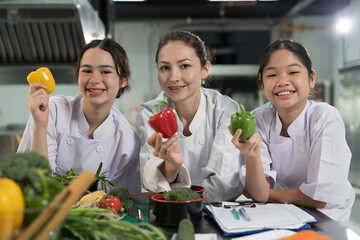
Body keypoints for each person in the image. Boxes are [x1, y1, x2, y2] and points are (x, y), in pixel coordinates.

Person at [232, 39, 355, 225]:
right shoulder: (257, 119)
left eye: (293, 72)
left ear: (311, 78)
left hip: (326, 214)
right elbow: (257, 193)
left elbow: (320, 197)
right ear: (262, 84)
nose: (282, 81)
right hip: (281, 210)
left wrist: (268, 195)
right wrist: (252, 155)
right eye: (272, 75)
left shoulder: (325, 118)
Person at [18, 39, 141, 192]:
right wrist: (40, 124)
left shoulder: (127, 141)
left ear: (124, 80)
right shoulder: (52, 110)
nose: (94, 80)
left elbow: (116, 203)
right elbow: (37, 183)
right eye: (87, 71)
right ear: (78, 76)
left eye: (105, 71)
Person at [136, 30, 245, 203]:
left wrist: (179, 195)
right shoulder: (150, 113)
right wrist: (171, 165)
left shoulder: (225, 110)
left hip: (217, 212)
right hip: (168, 212)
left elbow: (224, 185)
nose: (174, 77)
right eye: (165, 67)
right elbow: (151, 180)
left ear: (204, 69)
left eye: (184, 66)